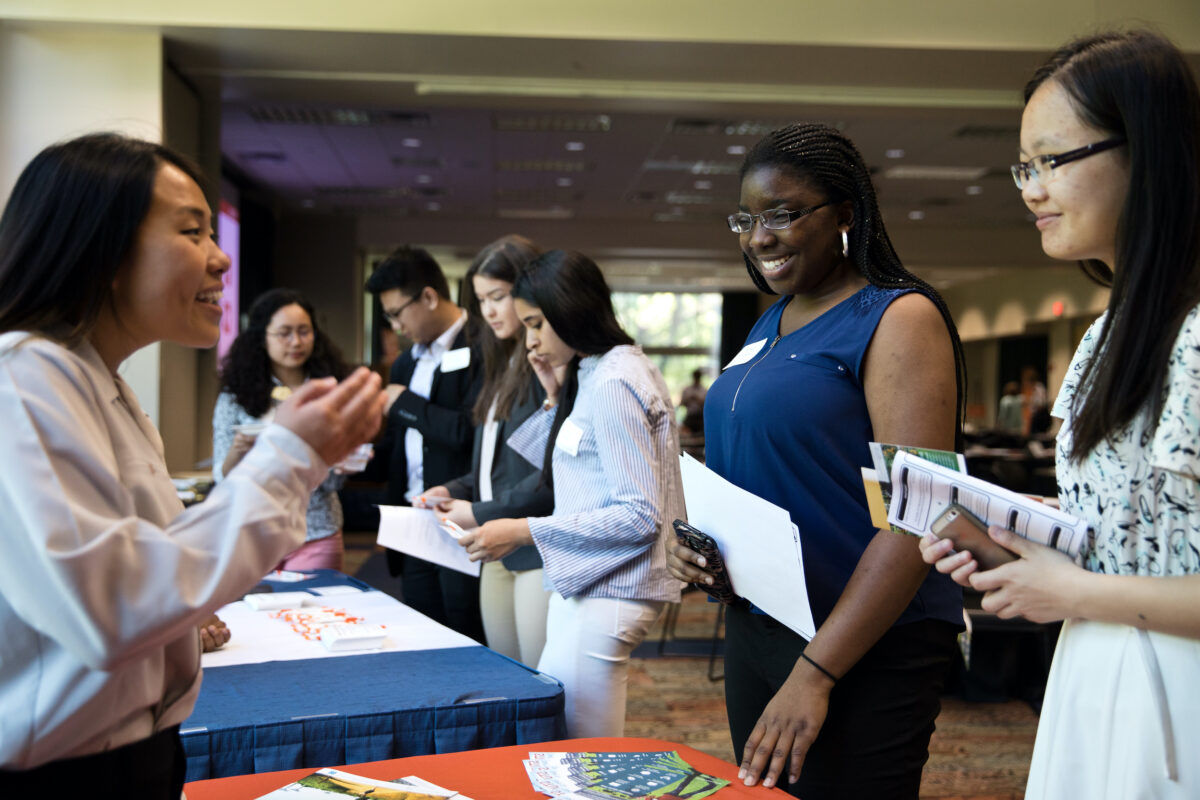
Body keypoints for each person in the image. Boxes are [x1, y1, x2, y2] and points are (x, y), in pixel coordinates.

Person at [0, 133, 384, 795]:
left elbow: (146, 566)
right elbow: (110, 610)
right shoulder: (24, 378)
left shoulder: (104, 385)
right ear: (104, 250)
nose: (219, 261)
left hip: (137, 751)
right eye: (191, 231)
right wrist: (288, 458)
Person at [921, 30, 1200, 799]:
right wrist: (1021, 539)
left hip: (1176, 690)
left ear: (1146, 153)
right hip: (1095, 668)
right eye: (1025, 166)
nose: (1030, 189)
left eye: (1052, 161)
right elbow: (1140, 535)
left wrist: (1072, 592)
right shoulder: (1107, 334)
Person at [666, 122, 966, 798]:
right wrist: (698, 549)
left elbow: (917, 518)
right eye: (747, 218)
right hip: (761, 622)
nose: (759, 236)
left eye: (783, 213)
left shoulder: (897, 316)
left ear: (845, 216)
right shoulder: (772, 320)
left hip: (862, 640)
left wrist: (816, 674)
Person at [456, 250, 684, 737]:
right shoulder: (593, 371)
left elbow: (640, 515)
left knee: (580, 750)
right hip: (590, 581)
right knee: (569, 745)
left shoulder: (616, 380)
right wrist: (553, 398)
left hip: (613, 584)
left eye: (536, 323)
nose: (530, 338)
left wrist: (522, 530)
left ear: (569, 309)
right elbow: (556, 464)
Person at [424, 235, 554, 665]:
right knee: (510, 678)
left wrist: (478, 512)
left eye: (498, 297)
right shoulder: (501, 368)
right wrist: (452, 488)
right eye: (482, 300)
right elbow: (496, 467)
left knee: (541, 681)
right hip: (493, 546)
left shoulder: (545, 367)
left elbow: (547, 478)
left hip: (534, 548)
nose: (489, 311)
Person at [364, 246, 484, 641]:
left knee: (466, 635)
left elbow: (472, 434)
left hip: (460, 520)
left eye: (398, 313)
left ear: (429, 297)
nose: (396, 326)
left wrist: (406, 405)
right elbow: (402, 443)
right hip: (412, 520)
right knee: (421, 636)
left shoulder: (482, 348)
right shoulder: (407, 362)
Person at [213, 288, 353, 571]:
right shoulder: (235, 395)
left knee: (317, 614)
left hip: (315, 530)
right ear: (262, 338)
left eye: (304, 331)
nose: (296, 342)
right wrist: (238, 453)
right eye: (284, 333)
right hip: (254, 533)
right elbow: (223, 477)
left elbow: (334, 484)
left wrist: (341, 459)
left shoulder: (330, 390)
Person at [679, 368, 707, 434]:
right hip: (690, 417)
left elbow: (707, 405)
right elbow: (681, 404)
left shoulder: (704, 390)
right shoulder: (687, 390)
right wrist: (689, 399)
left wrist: (698, 399)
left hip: (700, 418)